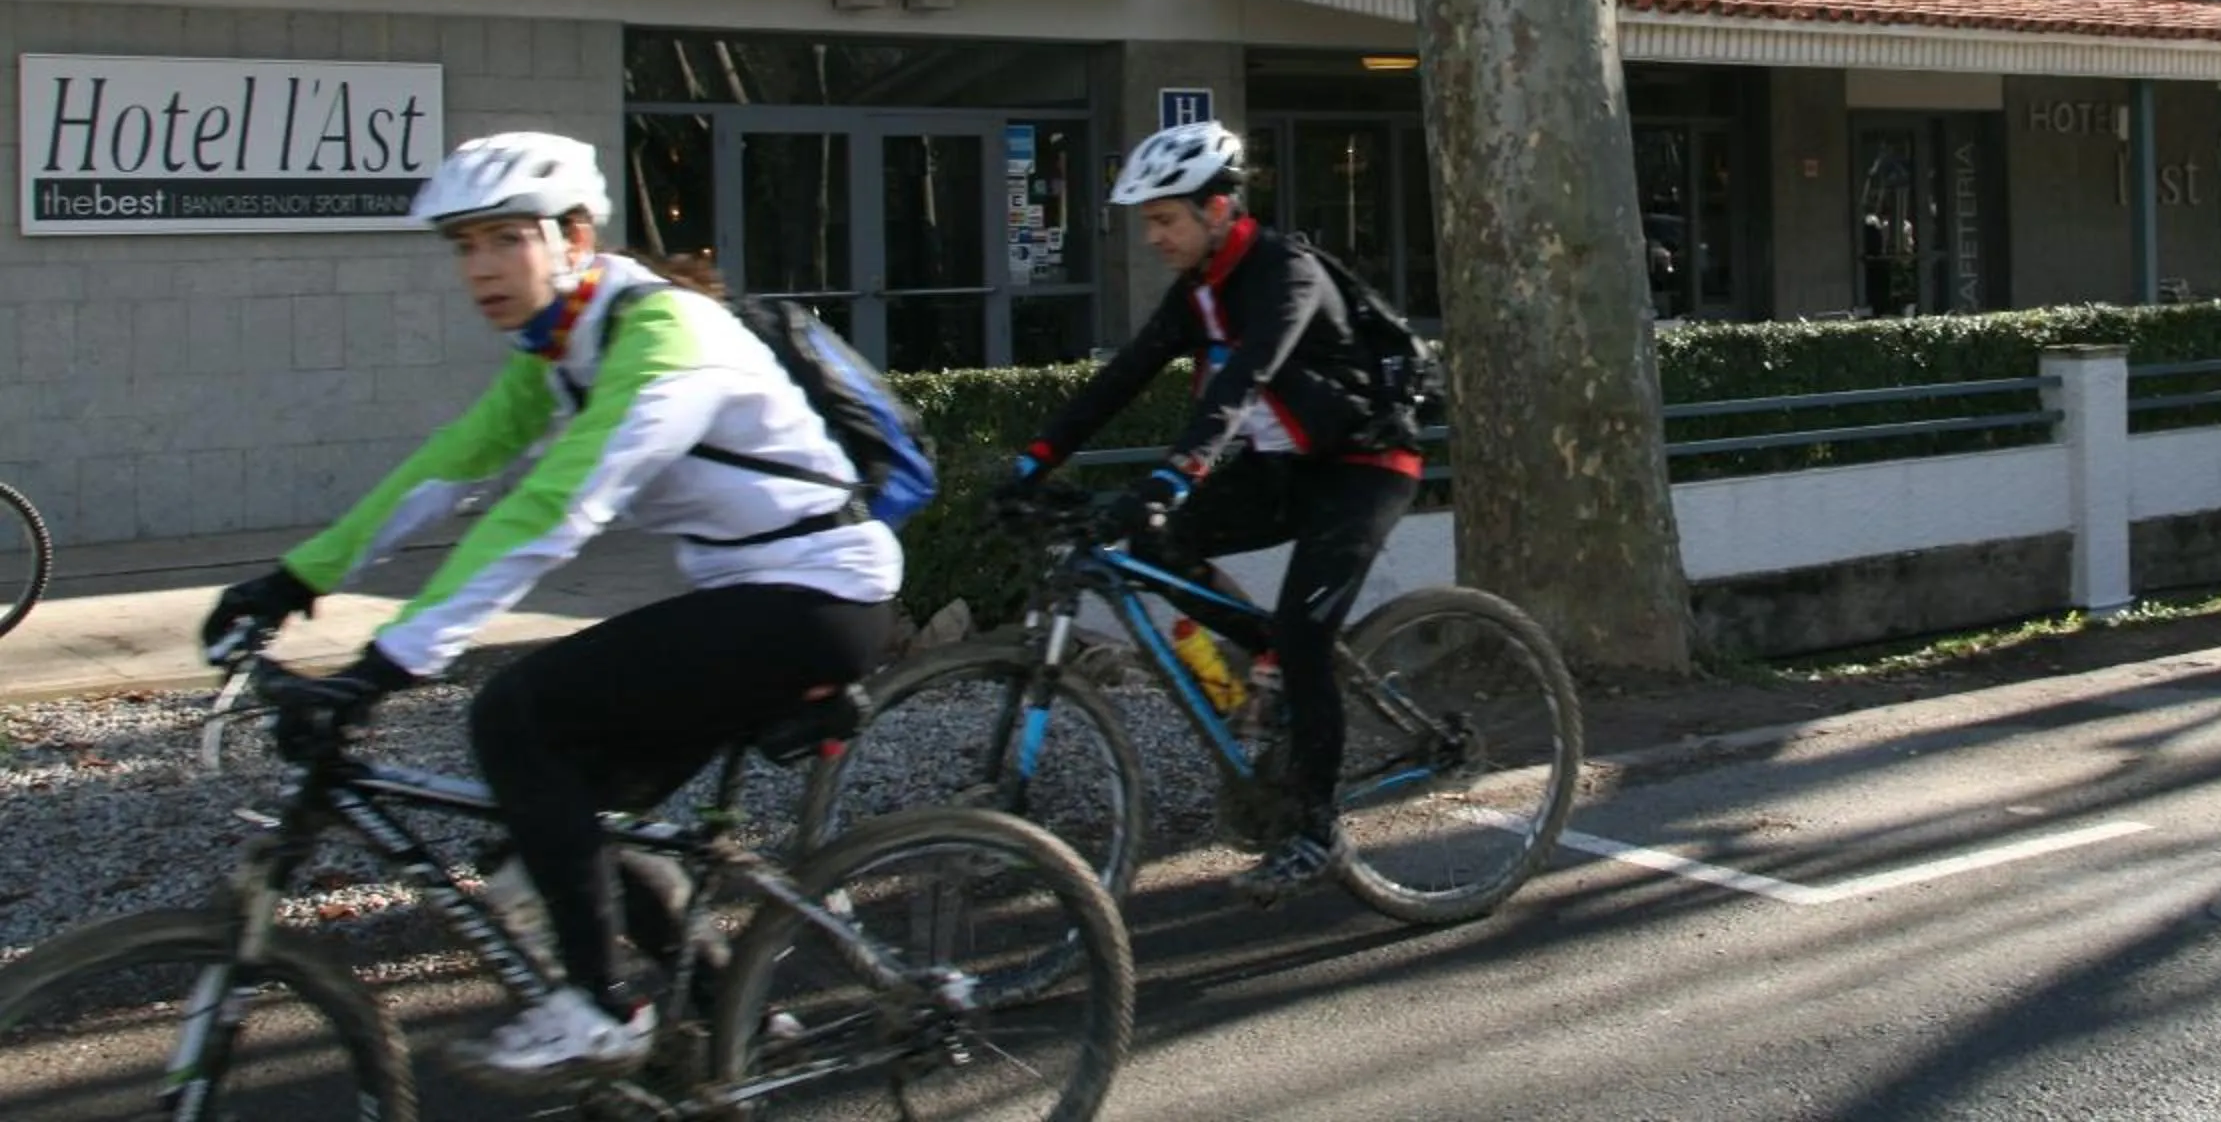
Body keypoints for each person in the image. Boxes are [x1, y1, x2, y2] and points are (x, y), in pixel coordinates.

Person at [200, 133, 901, 1086]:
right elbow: (450, 465)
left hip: (819, 594)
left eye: (505, 239)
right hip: (751, 590)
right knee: (546, 820)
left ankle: (601, 1010)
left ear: (574, 236)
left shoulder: (666, 337)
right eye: (463, 245)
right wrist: (294, 580)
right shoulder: (566, 340)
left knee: (514, 716)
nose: (481, 267)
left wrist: (389, 662)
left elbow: (556, 510)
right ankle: (731, 1011)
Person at [1001, 120, 1421, 906]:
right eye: (1149, 221)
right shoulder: (1198, 292)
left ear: (1218, 208)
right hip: (1288, 469)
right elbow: (1120, 379)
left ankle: (1317, 828)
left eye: (1166, 219)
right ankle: (1273, 659)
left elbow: (1242, 384)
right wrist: (1032, 462)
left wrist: (1175, 474)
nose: (1154, 236)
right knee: (1160, 545)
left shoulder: (1283, 272)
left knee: (1303, 632)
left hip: (1365, 467)